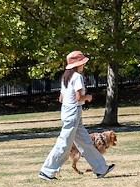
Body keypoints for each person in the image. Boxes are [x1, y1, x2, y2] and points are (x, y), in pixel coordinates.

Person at [39, 50, 115, 180]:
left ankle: (101, 168)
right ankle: (47, 171)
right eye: (82, 63)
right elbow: (78, 97)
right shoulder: (77, 77)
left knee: (85, 142)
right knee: (64, 143)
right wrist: (88, 97)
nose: (83, 65)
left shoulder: (65, 78)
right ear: (77, 64)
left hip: (67, 111)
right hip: (74, 111)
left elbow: (61, 99)